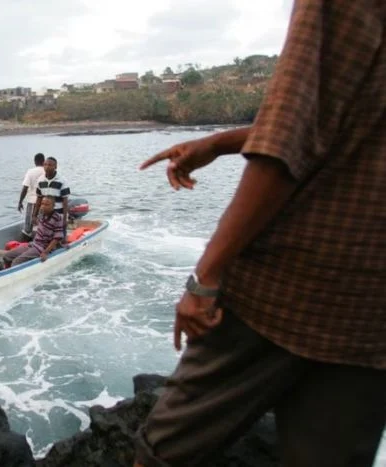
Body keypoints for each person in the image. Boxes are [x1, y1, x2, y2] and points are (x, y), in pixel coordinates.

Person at [133, 2, 386, 466]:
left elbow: (289, 140)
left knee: (162, 454)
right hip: (369, 316)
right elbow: (346, 119)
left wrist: (204, 278)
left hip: (284, 289)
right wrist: (219, 142)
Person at [4, 196, 63, 267]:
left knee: (16, 262)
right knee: (7, 256)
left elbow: (57, 238)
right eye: (42, 204)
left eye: (47, 205)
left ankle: (14, 275)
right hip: (33, 244)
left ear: (53, 206)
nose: (43, 206)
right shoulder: (42, 214)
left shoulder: (57, 218)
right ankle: (6, 271)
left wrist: (45, 252)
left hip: (42, 248)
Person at [33, 157, 70, 242]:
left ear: (55, 166)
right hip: (44, 214)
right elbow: (39, 198)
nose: (47, 167)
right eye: (45, 164)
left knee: (60, 237)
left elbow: (65, 201)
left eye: (50, 165)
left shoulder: (62, 180)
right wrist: (34, 215)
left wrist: (65, 219)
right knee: (44, 236)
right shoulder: (40, 180)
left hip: (58, 214)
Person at [17, 152, 45, 239]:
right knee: (42, 225)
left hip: (33, 202)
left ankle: (24, 243)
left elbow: (25, 188)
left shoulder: (31, 172)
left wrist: (20, 202)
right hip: (45, 203)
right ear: (44, 161)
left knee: (28, 228)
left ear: (35, 161)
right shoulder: (47, 171)